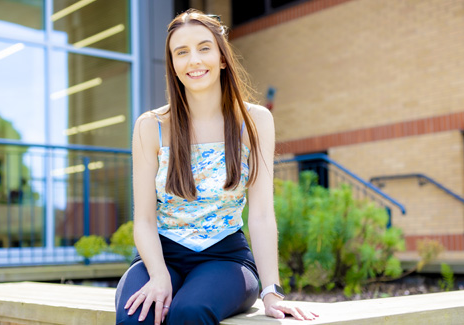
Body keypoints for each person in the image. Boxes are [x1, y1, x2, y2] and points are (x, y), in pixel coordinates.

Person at [115, 9, 319, 324]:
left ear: (222, 58)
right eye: (181, 52)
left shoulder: (254, 121)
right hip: (160, 256)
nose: (194, 60)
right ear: (173, 65)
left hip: (225, 258)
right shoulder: (150, 126)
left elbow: (262, 214)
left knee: (190, 311)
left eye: (204, 48)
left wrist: (272, 292)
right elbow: (142, 220)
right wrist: (158, 276)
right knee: (137, 316)